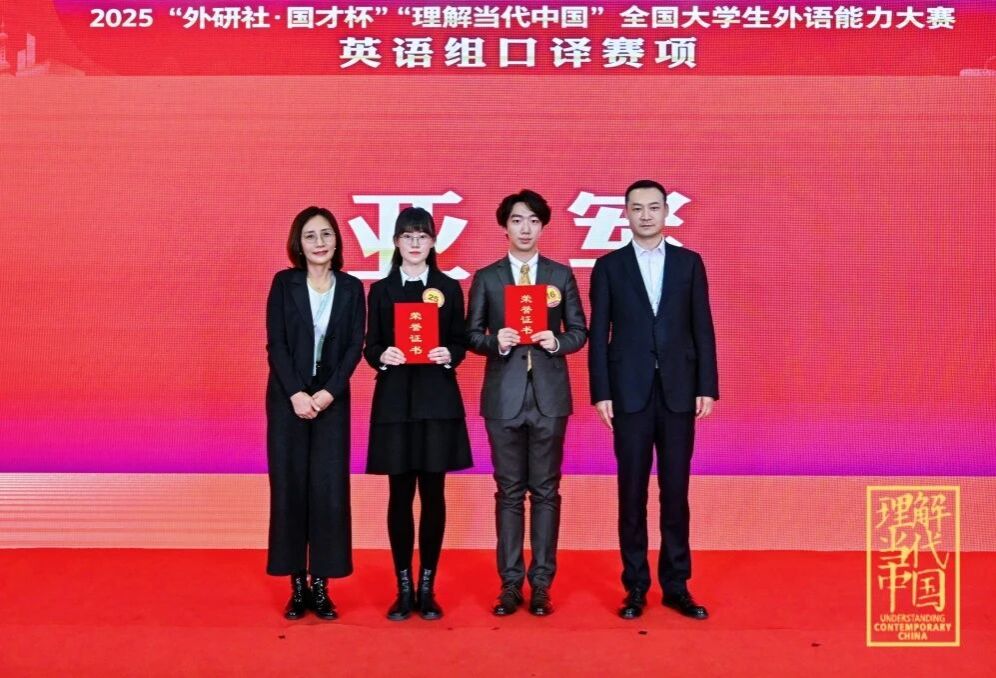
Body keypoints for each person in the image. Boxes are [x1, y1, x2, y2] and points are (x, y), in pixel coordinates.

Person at [588, 180, 718, 621]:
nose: (646, 215)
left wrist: (707, 385)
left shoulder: (689, 263)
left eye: (654, 207)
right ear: (625, 213)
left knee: (675, 492)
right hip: (628, 393)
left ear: (666, 213)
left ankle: (677, 585)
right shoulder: (608, 267)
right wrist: (601, 392)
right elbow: (599, 335)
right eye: (637, 208)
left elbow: (702, 327)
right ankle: (636, 586)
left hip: (680, 391)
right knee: (632, 493)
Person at [466, 190, 587, 616]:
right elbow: (471, 334)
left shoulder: (559, 275)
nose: (525, 228)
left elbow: (580, 331)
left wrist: (557, 341)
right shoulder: (488, 277)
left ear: (543, 227)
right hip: (504, 396)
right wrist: (494, 342)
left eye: (534, 221)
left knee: (547, 491)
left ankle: (542, 584)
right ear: (505, 226)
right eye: (517, 220)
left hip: (549, 396)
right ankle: (510, 583)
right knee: (509, 492)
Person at [364, 206, 472, 621]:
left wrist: (450, 353)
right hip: (395, 402)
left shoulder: (448, 287)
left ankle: (427, 586)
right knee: (399, 495)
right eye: (407, 236)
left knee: (433, 494)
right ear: (395, 242)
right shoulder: (381, 290)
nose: (414, 243)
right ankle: (403, 586)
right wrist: (383, 355)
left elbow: (461, 340)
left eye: (422, 236)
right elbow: (370, 346)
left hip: (436, 402)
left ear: (432, 242)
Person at [265, 206, 365, 620]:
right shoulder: (283, 283)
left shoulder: (352, 287)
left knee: (328, 492)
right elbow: (276, 345)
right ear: (298, 244)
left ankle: (321, 587)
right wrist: (296, 394)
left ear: (337, 241)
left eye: (326, 234)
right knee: (290, 489)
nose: (319, 242)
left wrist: (326, 394)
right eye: (310, 236)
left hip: (331, 402)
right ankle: (297, 586)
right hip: (288, 402)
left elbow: (354, 347)